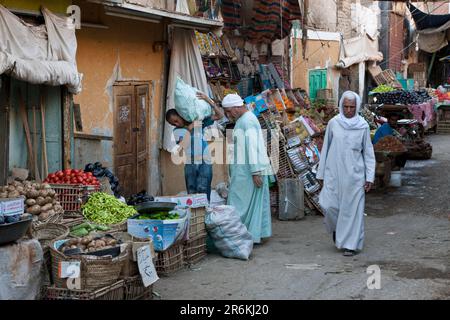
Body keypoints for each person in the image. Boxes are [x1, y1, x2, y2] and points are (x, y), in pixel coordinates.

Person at [316, 91, 376, 257]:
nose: (348, 110)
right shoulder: (334, 124)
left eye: (352, 107)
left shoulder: (363, 126)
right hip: (333, 174)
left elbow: (368, 153)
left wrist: (369, 177)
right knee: (328, 206)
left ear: (356, 107)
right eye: (346, 106)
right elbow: (326, 148)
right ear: (341, 106)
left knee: (352, 212)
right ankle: (337, 229)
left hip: (355, 176)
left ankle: (351, 244)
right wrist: (321, 175)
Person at [222, 93, 272, 244]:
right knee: (246, 203)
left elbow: (253, 147)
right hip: (244, 170)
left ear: (236, 108)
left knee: (238, 203)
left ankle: (237, 235)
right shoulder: (244, 119)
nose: (228, 115)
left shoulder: (247, 121)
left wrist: (255, 172)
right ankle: (246, 234)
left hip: (248, 171)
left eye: (229, 112)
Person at [166, 92, 224, 201]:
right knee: (192, 193)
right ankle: (195, 216)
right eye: (173, 124)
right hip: (190, 163)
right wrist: (189, 128)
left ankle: (204, 215)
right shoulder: (177, 131)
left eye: (176, 121)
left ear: (180, 115)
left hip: (205, 162)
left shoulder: (197, 121)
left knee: (204, 191)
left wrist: (208, 100)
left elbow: (219, 115)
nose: (176, 124)